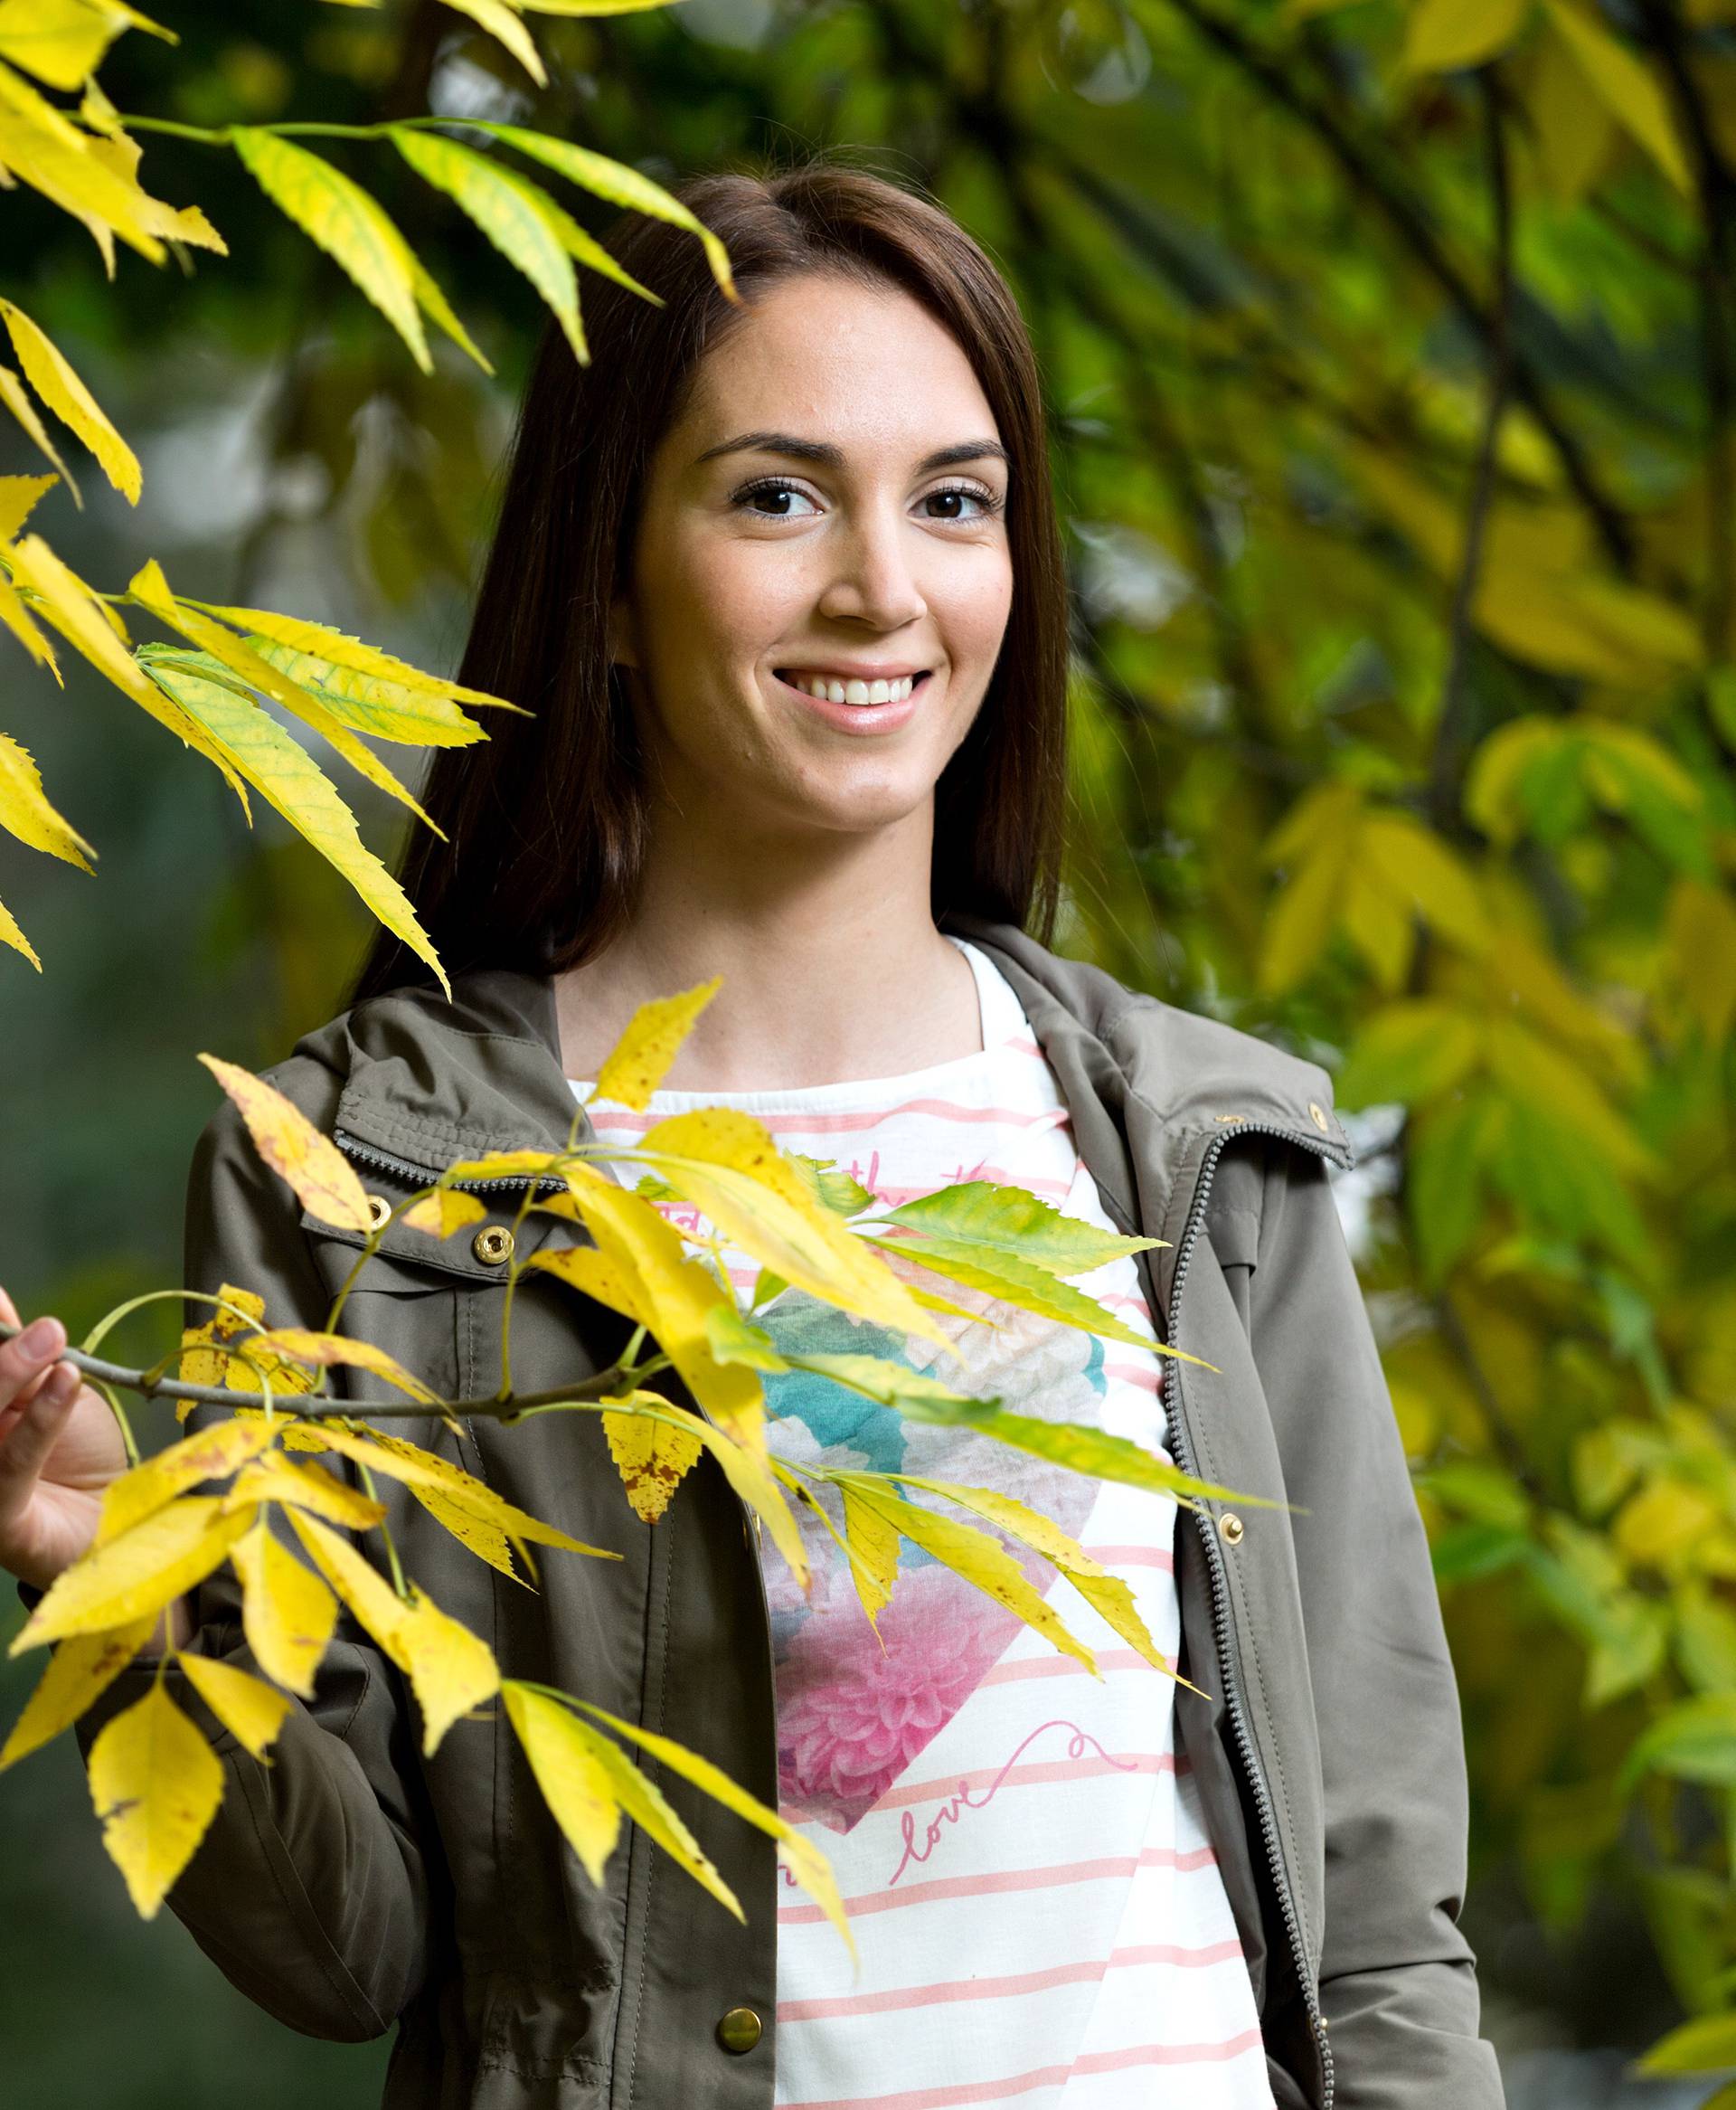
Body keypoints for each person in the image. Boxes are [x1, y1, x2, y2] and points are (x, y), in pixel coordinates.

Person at [0, 156, 1506, 2110]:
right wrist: (115, 1564)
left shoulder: (1206, 1152)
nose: (883, 584)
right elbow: (354, 1948)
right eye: (778, 495)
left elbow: (1379, 1925)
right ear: (608, 580)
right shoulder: (371, 1174)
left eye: (955, 502)